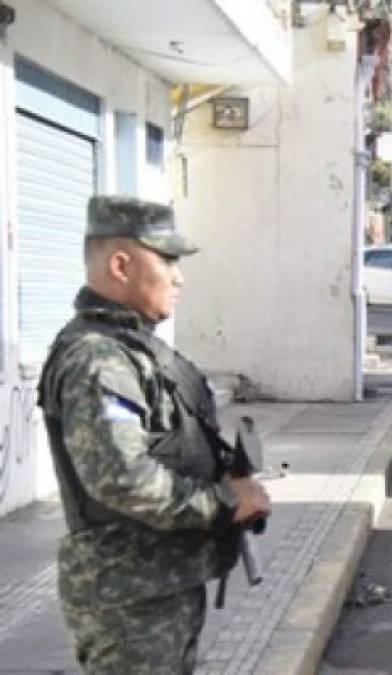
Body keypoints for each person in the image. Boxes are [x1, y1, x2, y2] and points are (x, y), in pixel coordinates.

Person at [36, 196, 271, 674]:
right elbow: (121, 477)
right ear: (121, 264)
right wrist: (222, 502)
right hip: (129, 597)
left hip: (159, 584)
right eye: (167, 260)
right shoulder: (97, 359)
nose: (178, 277)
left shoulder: (132, 349)